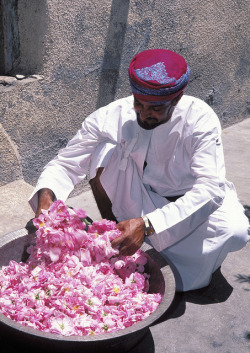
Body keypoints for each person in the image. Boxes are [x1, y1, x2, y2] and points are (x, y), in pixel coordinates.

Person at [29, 49, 249, 292]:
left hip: (188, 203)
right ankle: (116, 231)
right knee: (102, 149)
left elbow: (210, 189)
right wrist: (47, 195)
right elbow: (66, 162)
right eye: (138, 103)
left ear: (176, 100)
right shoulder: (111, 116)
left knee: (234, 231)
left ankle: (186, 262)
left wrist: (147, 224)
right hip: (137, 193)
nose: (144, 113)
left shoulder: (200, 120)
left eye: (156, 108)